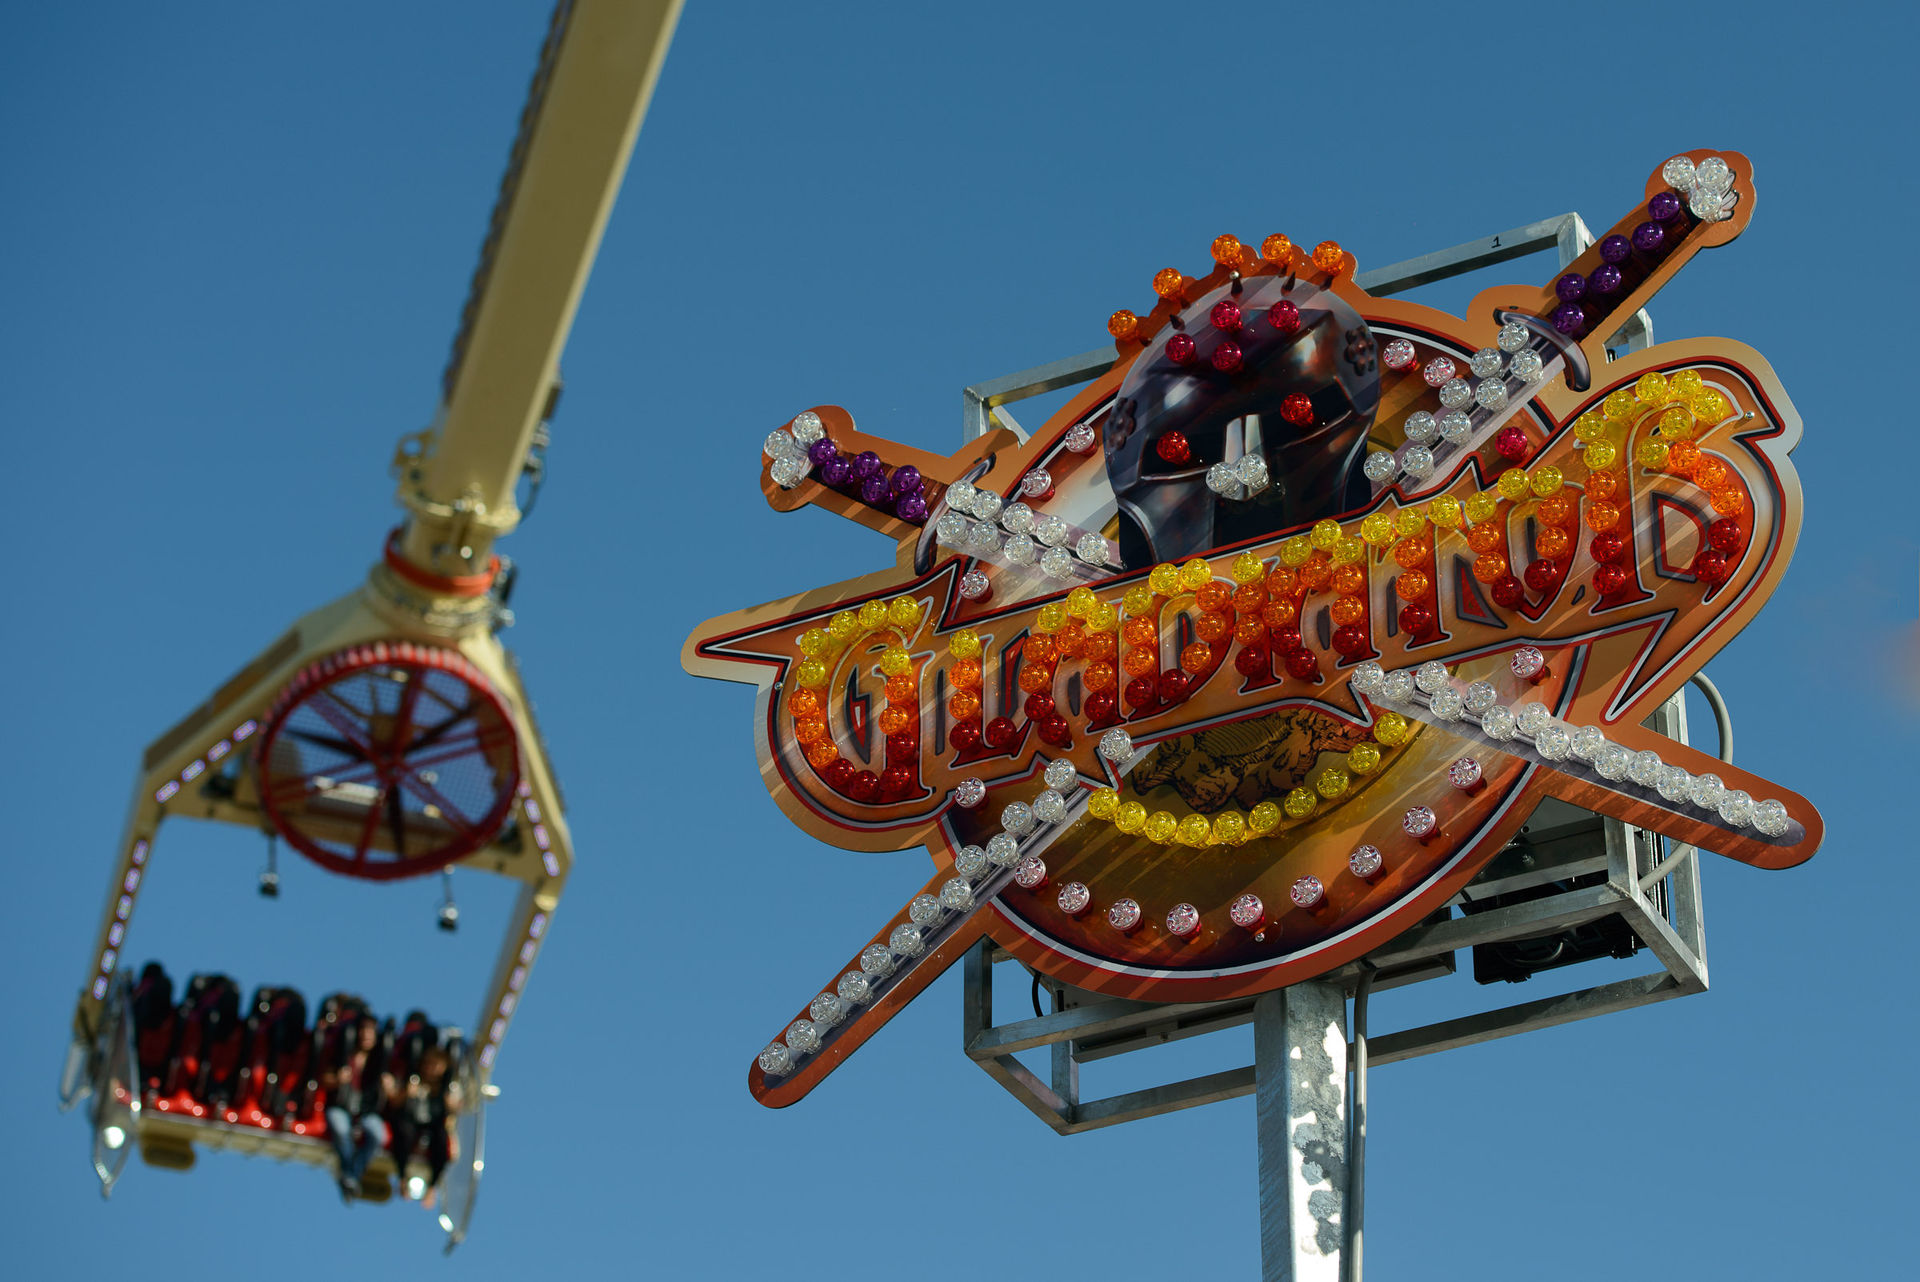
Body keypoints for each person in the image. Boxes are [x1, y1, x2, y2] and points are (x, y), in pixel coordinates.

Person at [322, 1016, 394, 1200]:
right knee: (340, 1129)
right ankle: (351, 1176)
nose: (366, 1036)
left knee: (378, 1135)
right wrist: (338, 1079)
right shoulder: (342, 1055)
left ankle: (350, 1175)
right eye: (363, 1031)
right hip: (342, 1106)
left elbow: (393, 1095)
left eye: (371, 1032)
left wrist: (388, 1087)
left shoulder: (380, 1061)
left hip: (366, 1111)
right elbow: (324, 1079)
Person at [389, 1046, 455, 1203]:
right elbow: (394, 1103)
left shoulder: (446, 1089)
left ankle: (432, 1186)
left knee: (441, 1140)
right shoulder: (412, 1080)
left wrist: (450, 1103)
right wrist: (407, 1093)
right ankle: (402, 1178)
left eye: (438, 1066)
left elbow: (455, 1109)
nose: (433, 1070)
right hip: (411, 1122)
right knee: (404, 1133)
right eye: (431, 1065)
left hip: (432, 1125)